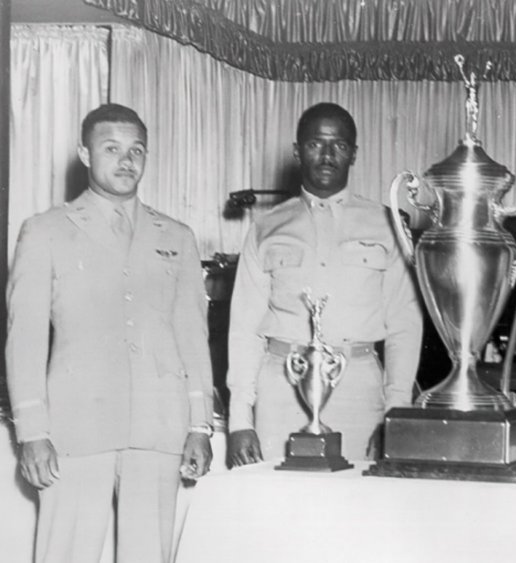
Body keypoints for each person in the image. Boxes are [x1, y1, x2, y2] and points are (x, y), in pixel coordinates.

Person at [5, 103, 214, 563]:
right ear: (84, 153)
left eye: (137, 150)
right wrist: (32, 432)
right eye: (112, 148)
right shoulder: (44, 231)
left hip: (158, 428)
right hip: (73, 431)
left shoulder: (176, 236)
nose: (126, 160)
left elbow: (192, 338)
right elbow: (25, 341)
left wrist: (199, 425)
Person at [226, 102, 423, 465]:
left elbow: (404, 326)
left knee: (356, 510)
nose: (328, 155)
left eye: (340, 146)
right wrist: (240, 419)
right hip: (281, 387)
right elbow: (244, 329)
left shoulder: (387, 226)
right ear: (297, 151)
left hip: (359, 392)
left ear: (354, 154)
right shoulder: (267, 227)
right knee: (277, 509)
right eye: (316, 144)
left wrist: (397, 411)